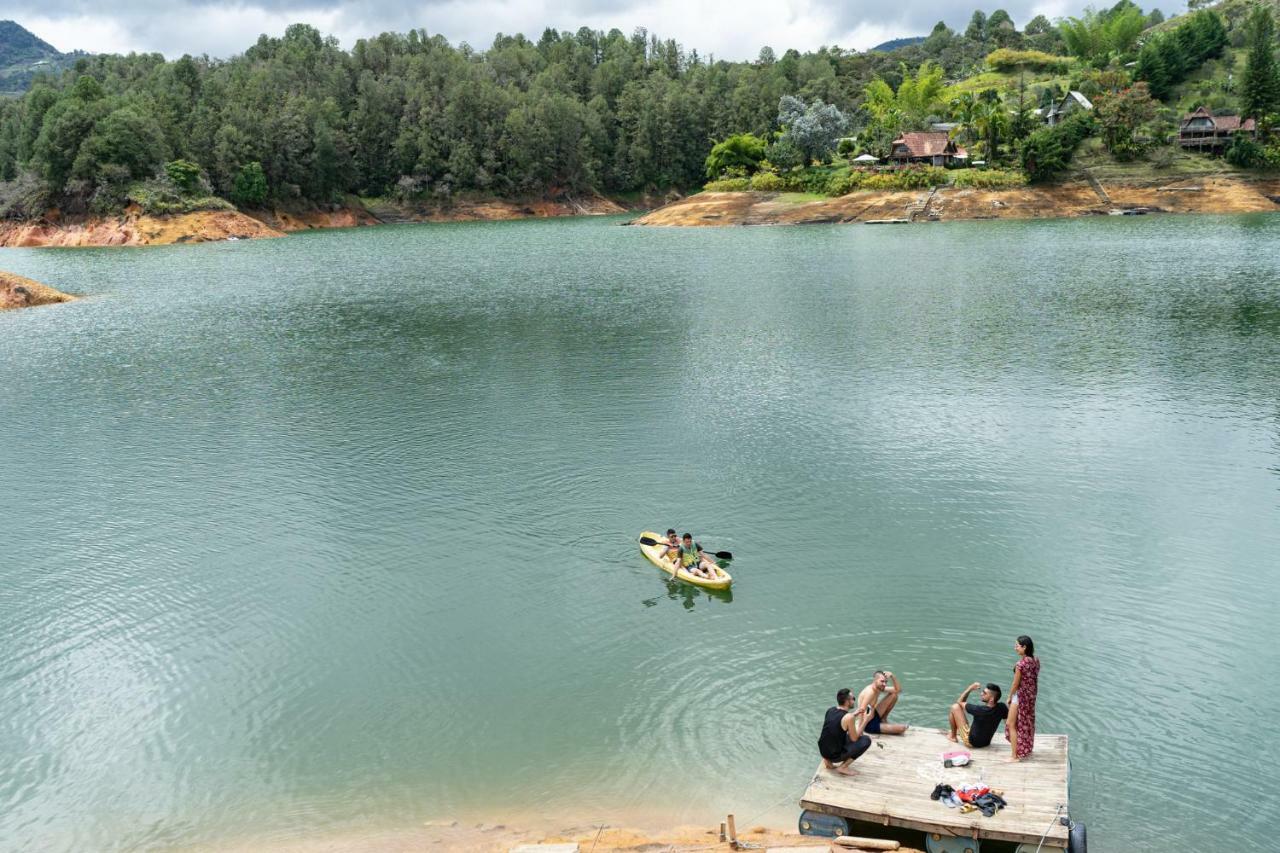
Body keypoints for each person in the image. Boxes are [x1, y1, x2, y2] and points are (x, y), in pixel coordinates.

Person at [818, 688, 872, 776]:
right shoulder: (849, 717)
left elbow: (832, 728)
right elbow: (854, 739)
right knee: (866, 740)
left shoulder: (830, 710)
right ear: (847, 701)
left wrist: (855, 713)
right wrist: (866, 720)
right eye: (853, 698)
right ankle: (843, 767)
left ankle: (827, 761)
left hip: (823, 751)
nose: (854, 701)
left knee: (835, 733)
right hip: (834, 756)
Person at [1006, 635, 1040, 761]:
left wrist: (1009, 697)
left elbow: (1015, 684)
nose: (1015, 648)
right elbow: (1032, 679)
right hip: (1031, 697)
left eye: (1017, 646)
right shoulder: (1036, 661)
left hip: (1020, 697)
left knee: (1011, 724)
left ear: (1024, 647)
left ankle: (1014, 756)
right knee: (1027, 722)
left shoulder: (1020, 664)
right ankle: (1026, 748)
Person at [947, 682, 1007, 748]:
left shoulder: (979, 710)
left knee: (954, 707)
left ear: (992, 699)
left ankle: (953, 737)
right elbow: (1007, 723)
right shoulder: (1002, 707)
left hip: (971, 742)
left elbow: (959, 702)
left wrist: (970, 688)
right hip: (986, 742)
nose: (981, 694)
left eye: (984, 693)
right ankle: (957, 733)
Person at [857, 670, 908, 735]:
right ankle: (879, 726)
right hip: (869, 724)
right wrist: (860, 731)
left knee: (894, 695)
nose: (884, 684)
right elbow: (861, 711)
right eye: (882, 681)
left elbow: (898, 690)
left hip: (874, 714)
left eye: (886, 682)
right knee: (902, 728)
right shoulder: (870, 692)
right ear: (875, 680)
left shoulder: (879, 688)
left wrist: (893, 677)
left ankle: (883, 719)